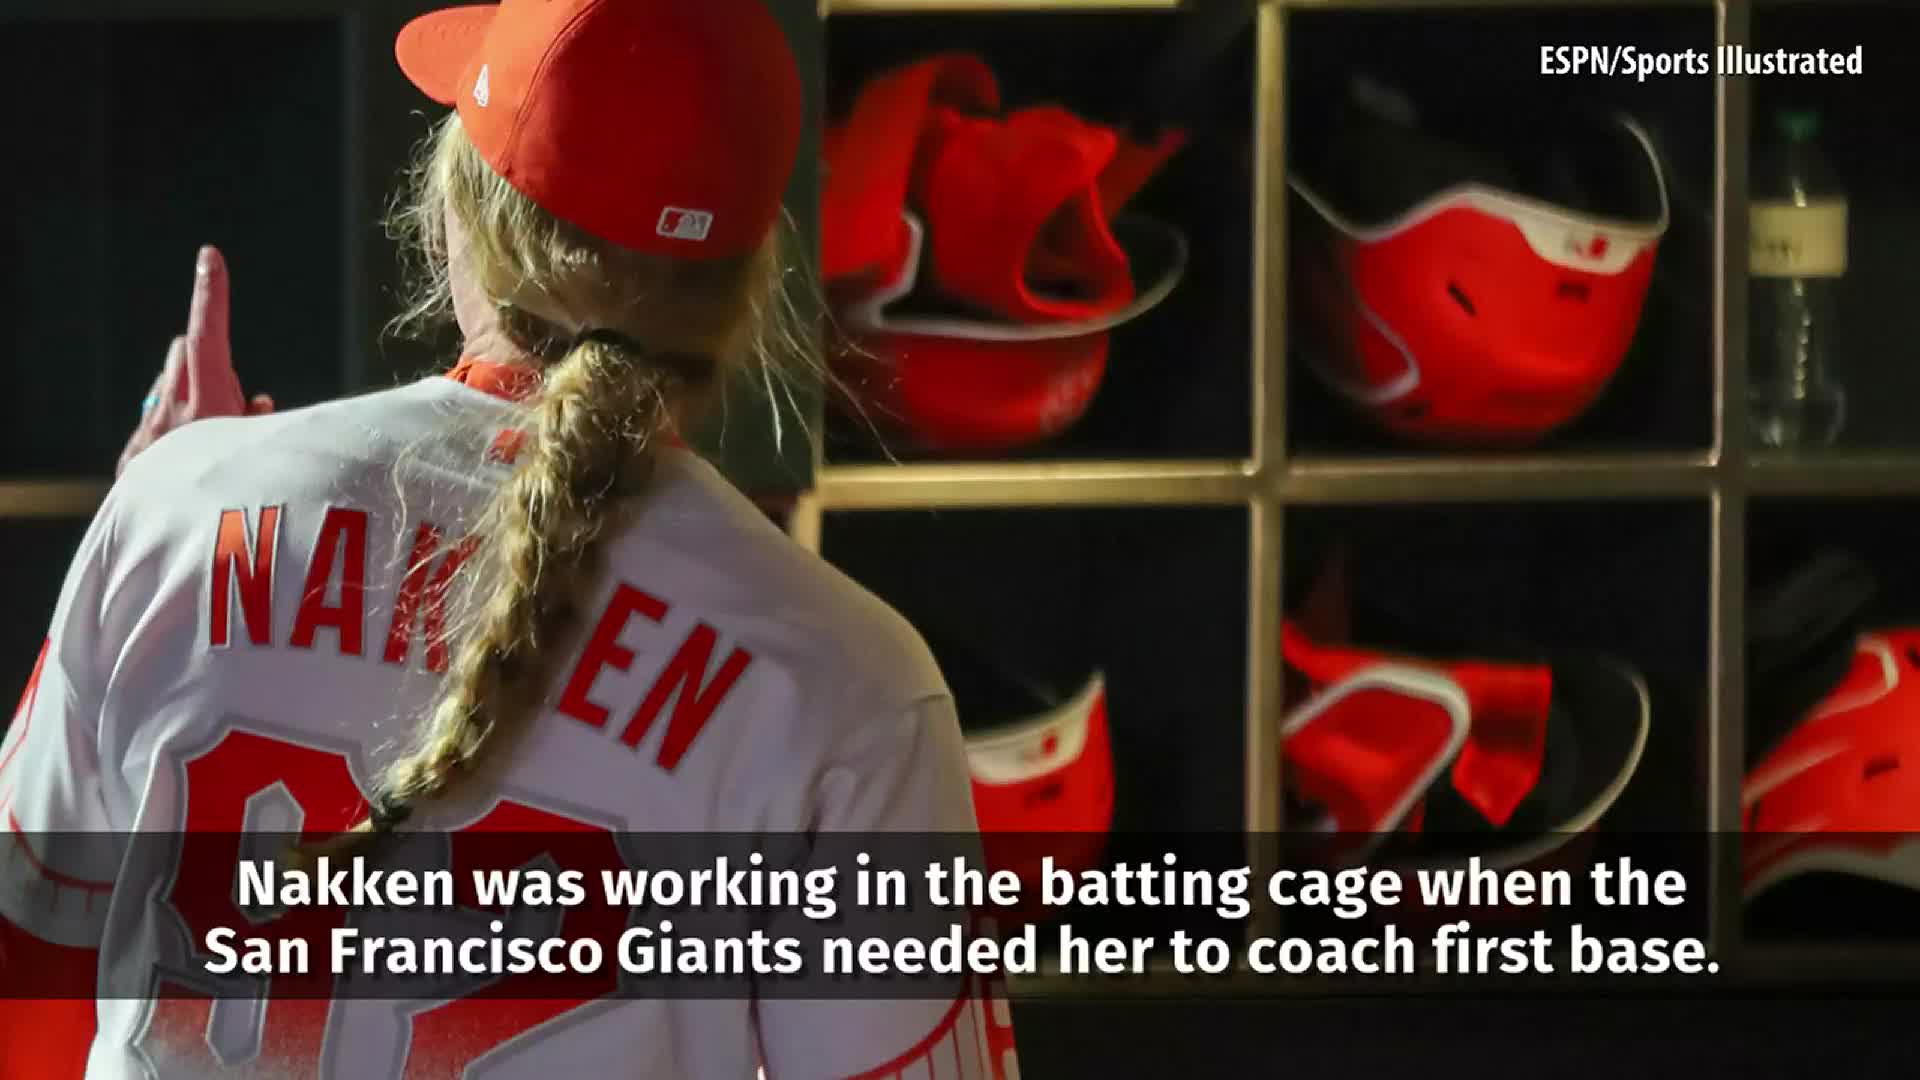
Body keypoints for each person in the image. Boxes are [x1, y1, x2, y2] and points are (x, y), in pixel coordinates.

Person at [0, 1, 1017, 1077]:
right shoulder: (850, 687)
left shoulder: (178, 511)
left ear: (454, 213)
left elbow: (23, 1002)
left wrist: (166, 516)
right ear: (754, 278)